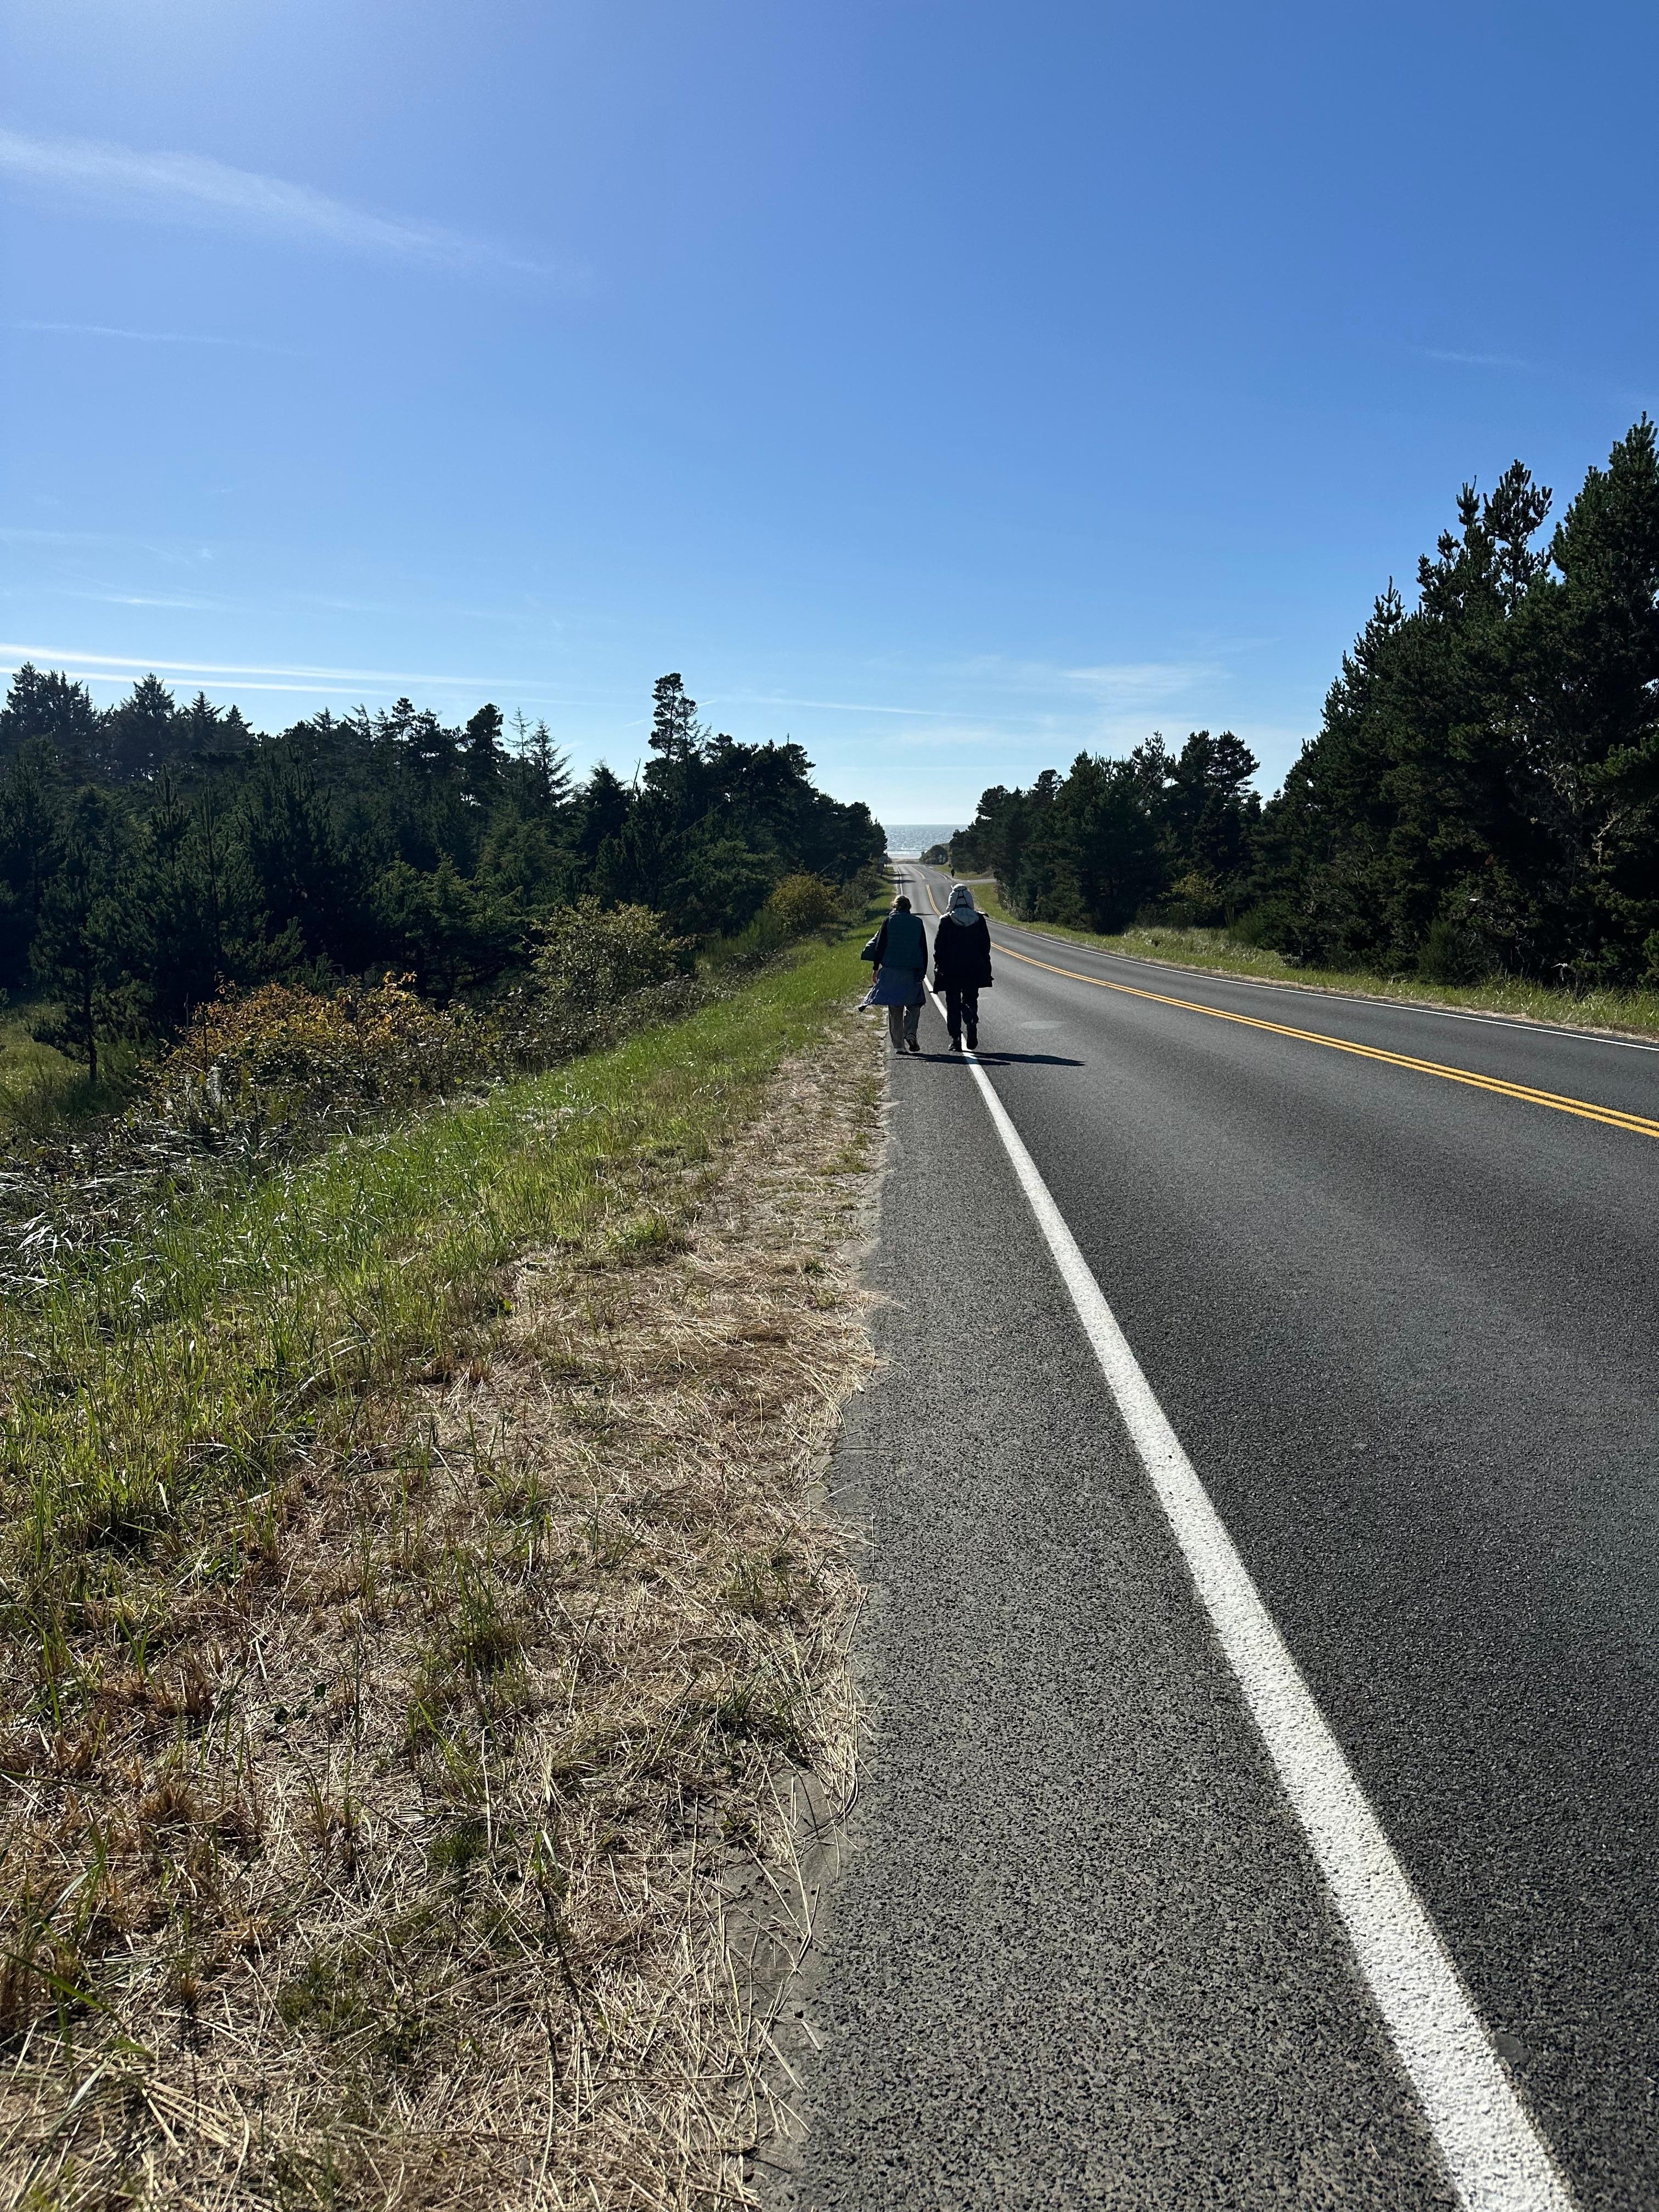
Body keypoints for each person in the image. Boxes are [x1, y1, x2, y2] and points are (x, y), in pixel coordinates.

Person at [861, 893, 928, 1053]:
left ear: (895, 906)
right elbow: (923, 949)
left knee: (895, 1007)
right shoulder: (918, 922)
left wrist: (875, 968)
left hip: (891, 969)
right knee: (914, 1004)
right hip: (912, 971)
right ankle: (910, 1033)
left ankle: (899, 1046)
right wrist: (922, 972)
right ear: (909, 907)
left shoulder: (889, 921)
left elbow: (880, 946)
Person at [932, 882, 993, 1051]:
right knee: (971, 999)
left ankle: (956, 1039)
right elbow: (985, 946)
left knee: (952, 1003)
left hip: (951, 971)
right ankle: (971, 1020)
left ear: (952, 901)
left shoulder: (946, 921)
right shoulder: (979, 920)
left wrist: (939, 964)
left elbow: (939, 947)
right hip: (974, 969)